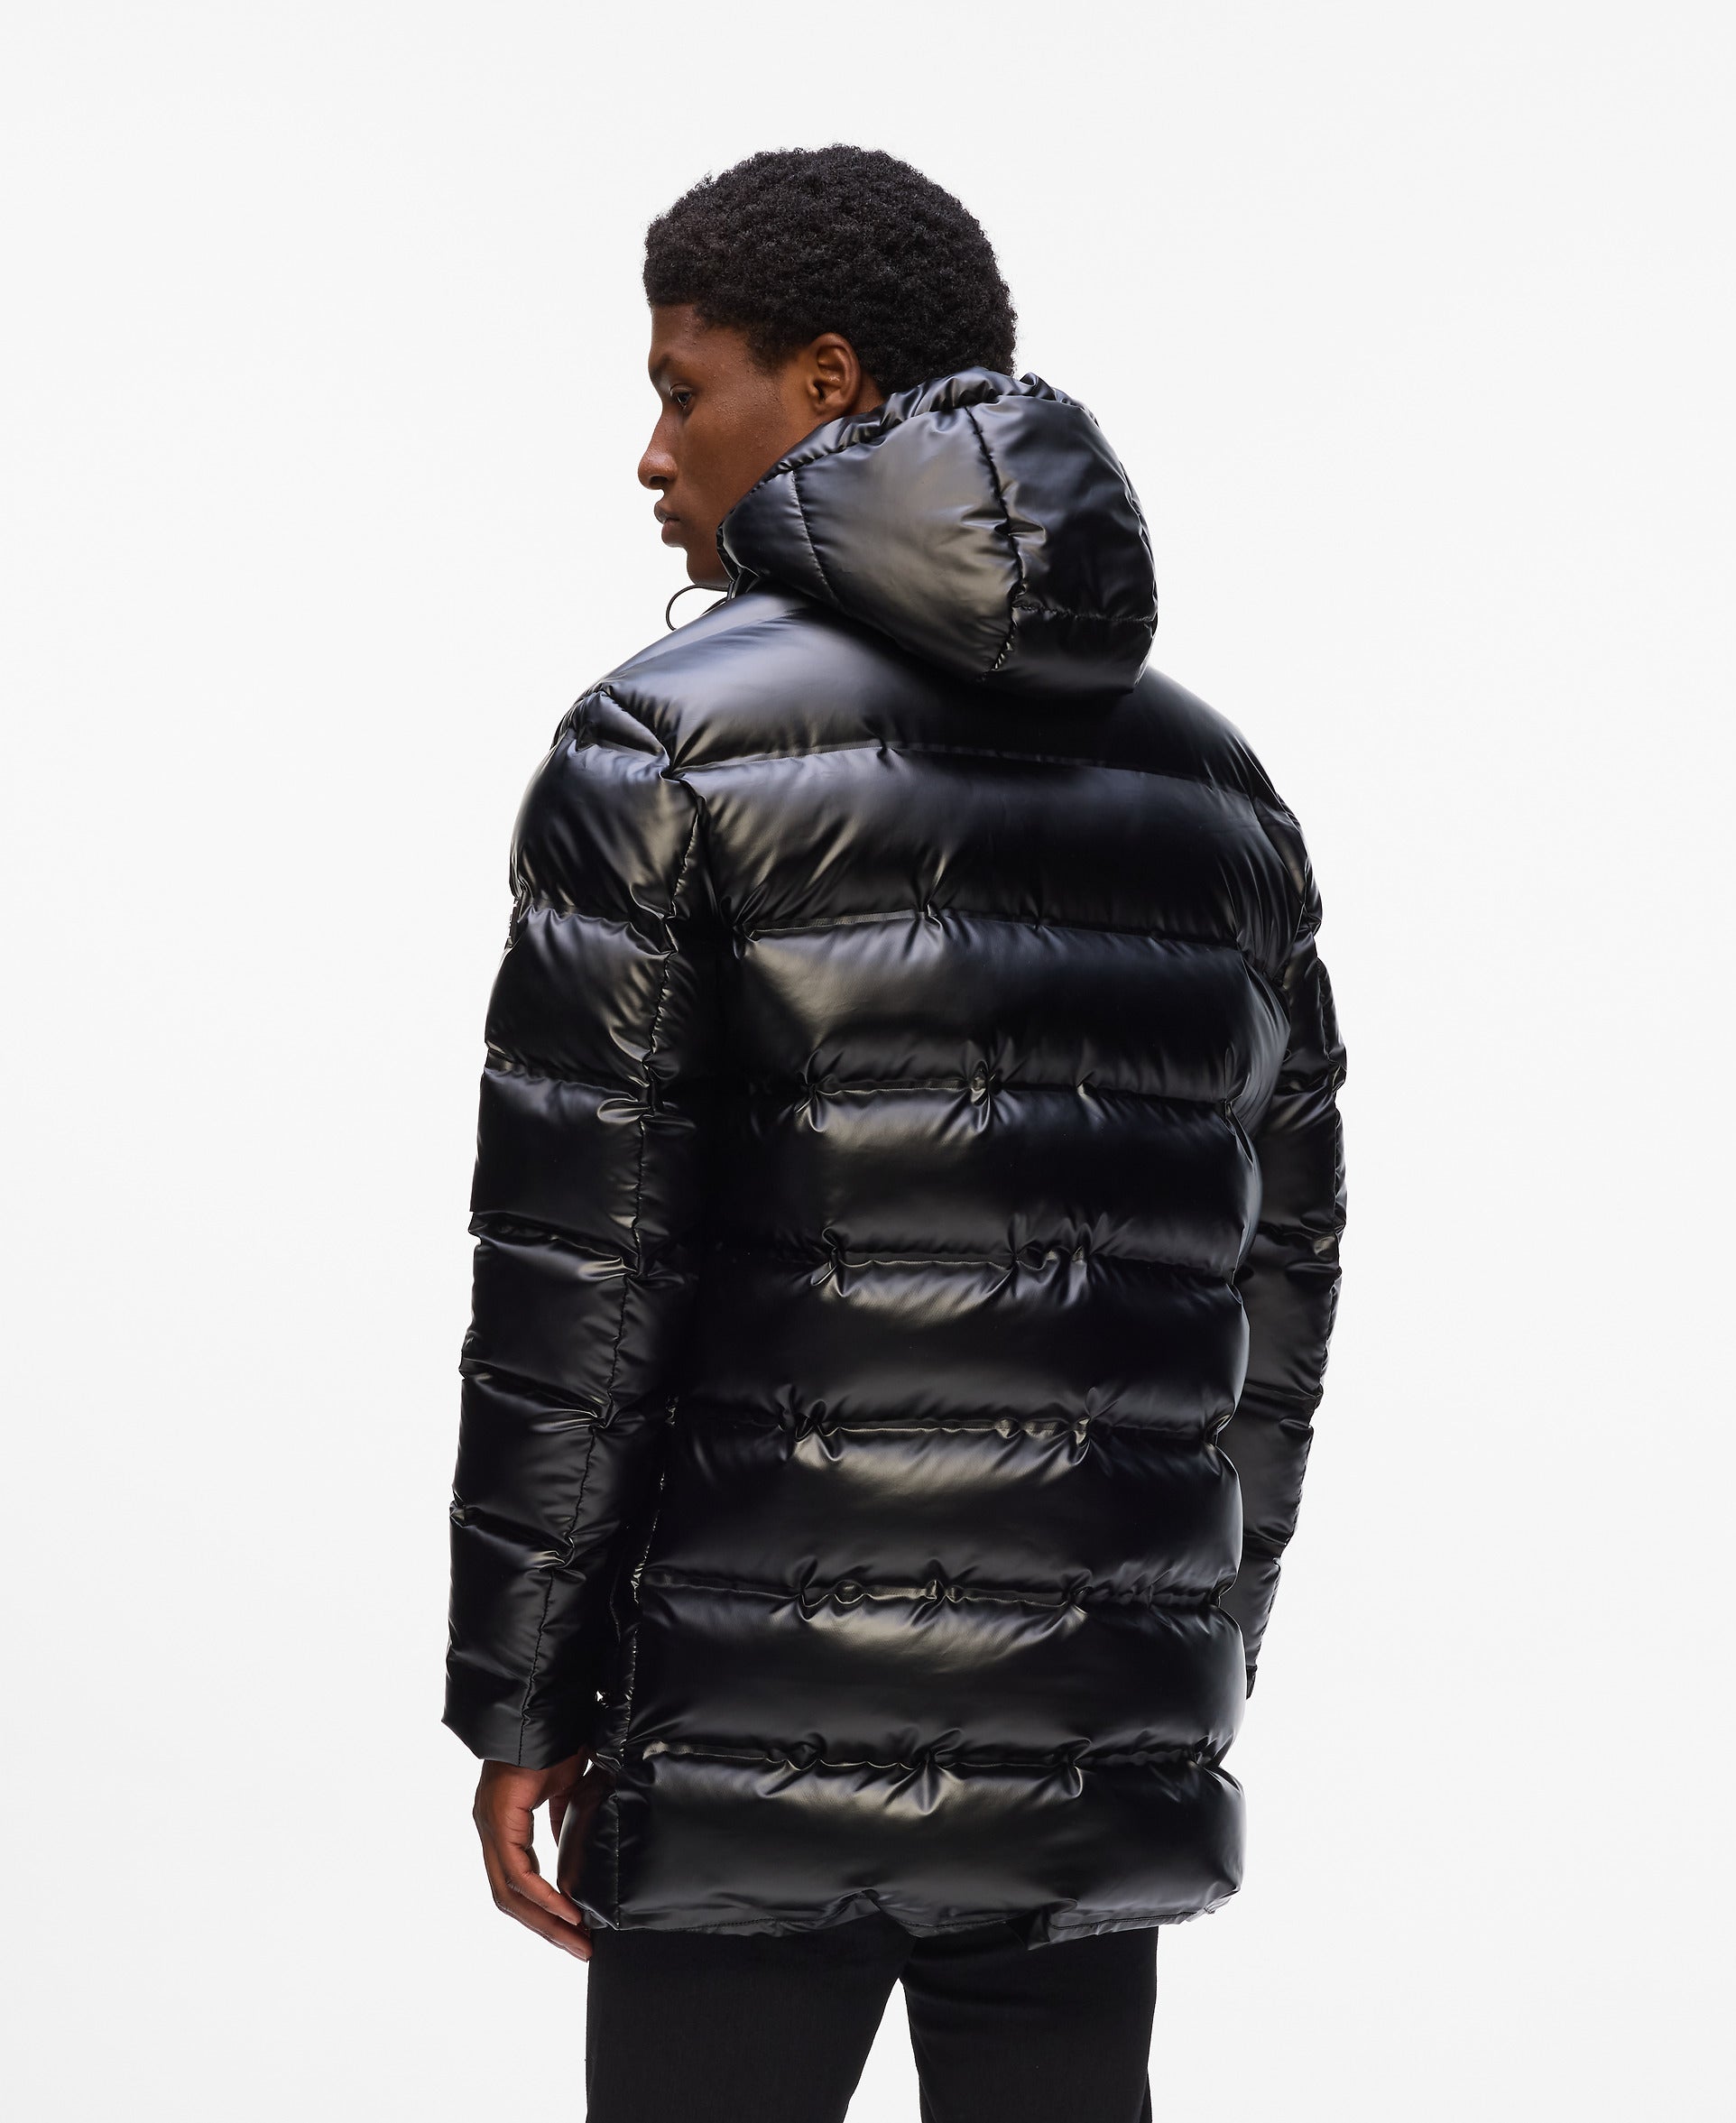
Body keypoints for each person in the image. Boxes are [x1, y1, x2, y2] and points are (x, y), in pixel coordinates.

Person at [444, 145, 1345, 2123]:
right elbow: (1277, 1288)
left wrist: (520, 1693)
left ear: (827, 383)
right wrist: (1167, 1664)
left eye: (683, 388)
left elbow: (582, 1285)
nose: (651, 452)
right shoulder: (1222, 793)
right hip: (1090, 1750)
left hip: (743, 1742)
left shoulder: (660, 744)